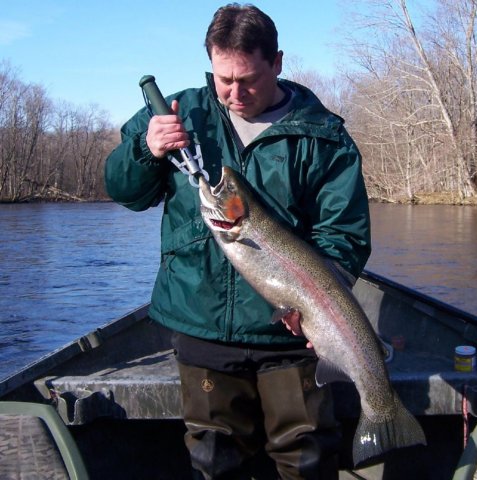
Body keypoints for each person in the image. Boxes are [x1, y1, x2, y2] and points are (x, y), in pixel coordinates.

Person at [105, 4, 371, 479]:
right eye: (223, 78)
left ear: (278, 62)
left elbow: (344, 236)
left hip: (289, 335)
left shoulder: (324, 136)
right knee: (215, 461)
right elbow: (125, 192)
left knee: (306, 460)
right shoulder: (180, 113)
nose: (234, 92)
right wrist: (147, 150)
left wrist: (317, 307)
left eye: (247, 79)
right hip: (201, 323)